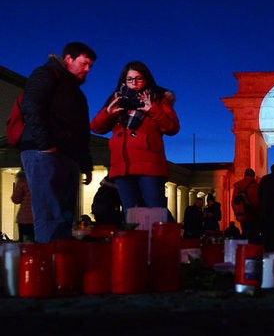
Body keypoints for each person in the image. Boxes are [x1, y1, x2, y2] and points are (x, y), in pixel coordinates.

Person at [19, 42, 96, 243]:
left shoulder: (76, 92)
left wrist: (85, 162)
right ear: (68, 59)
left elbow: (81, 130)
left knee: (64, 215)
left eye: (90, 66)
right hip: (44, 153)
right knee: (49, 213)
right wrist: (45, 144)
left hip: (66, 156)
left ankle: (61, 262)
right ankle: (48, 264)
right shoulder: (46, 74)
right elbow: (31, 105)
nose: (87, 69)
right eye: (84, 63)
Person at [90, 61, 180, 216]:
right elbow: (96, 127)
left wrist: (153, 110)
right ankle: (138, 240)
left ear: (146, 79)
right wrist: (108, 113)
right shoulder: (117, 99)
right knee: (131, 213)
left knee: (155, 211)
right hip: (122, 166)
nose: (134, 83)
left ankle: (167, 239)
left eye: (138, 78)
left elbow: (172, 128)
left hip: (149, 165)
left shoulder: (157, 99)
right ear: (124, 81)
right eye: (130, 79)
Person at [232, 168, 261, 241]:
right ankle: (253, 251)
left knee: (244, 233)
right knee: (254, 236)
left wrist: (237, 214)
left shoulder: (238, 186)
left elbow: (233, 202)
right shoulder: (256, 186)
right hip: (253, 215)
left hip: (242, 215)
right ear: (253, 176)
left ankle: (244, 250)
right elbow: (258, 202)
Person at [11, 170, 34, 242]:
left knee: (25, 242)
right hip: (40, 217)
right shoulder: (40, 179)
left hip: (25, 218)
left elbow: (16, 199)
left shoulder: (22, 181)